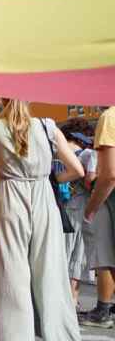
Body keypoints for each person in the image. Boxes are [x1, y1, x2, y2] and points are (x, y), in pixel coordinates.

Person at [0, 99, 83, 339]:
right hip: (43, 195)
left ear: (2, 100)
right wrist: (53, 180)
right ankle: (59, 334)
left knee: (10, 270)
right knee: (49, 268)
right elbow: (77, 170)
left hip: (10, 195)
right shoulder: (48, 126)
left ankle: (13, 335)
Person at [84, 106, 115, 328]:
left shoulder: (110, 117)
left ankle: (104, 310)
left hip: (111, 200)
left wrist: (91, 207)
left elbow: (109, 175)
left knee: (106, 256)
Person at [63, 130, 97, 311]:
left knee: (68, 251)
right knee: (78, 252)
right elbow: (89, 180)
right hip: (84, 206)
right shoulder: (90, 154)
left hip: (72, 204)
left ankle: (68, 296)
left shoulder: (71, 151)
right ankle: (72, 296)